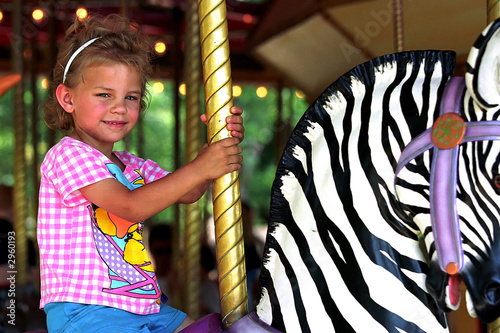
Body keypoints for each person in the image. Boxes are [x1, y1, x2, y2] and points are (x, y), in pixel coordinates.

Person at [37, 14, 244, 333]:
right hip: (88, 309)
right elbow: (131, 206)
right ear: (68, 98)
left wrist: (216, 147)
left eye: (130, 97)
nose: (119, 107)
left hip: (144, 305)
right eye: (104, 95)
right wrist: (204, 165)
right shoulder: (67, 155)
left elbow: (188, 191)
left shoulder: (131, 165)